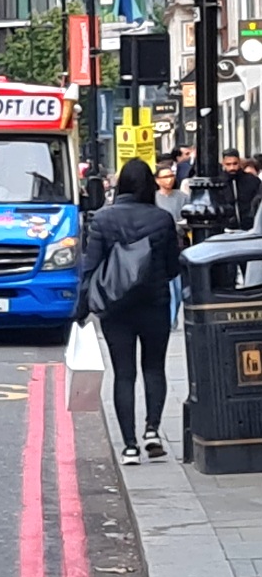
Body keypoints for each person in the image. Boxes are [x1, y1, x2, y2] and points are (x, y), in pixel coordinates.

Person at [80, 159, 183, 465]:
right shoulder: (162, 219)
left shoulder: (102, 219)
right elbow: (172, 268)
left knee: (123, 374)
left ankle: (129, 447)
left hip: (115, 308)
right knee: (154, 368)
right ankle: (152, 430)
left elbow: (91, 267)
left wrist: (82, 307)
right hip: (154, 303)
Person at [217, 148, 262, 227]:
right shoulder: (218, 183)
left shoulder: (252, 181)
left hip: (250, 226)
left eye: (235, 164)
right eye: (228, 164)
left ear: (240, 162)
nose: (232, 168)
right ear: (223, 164)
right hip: (226, 228)